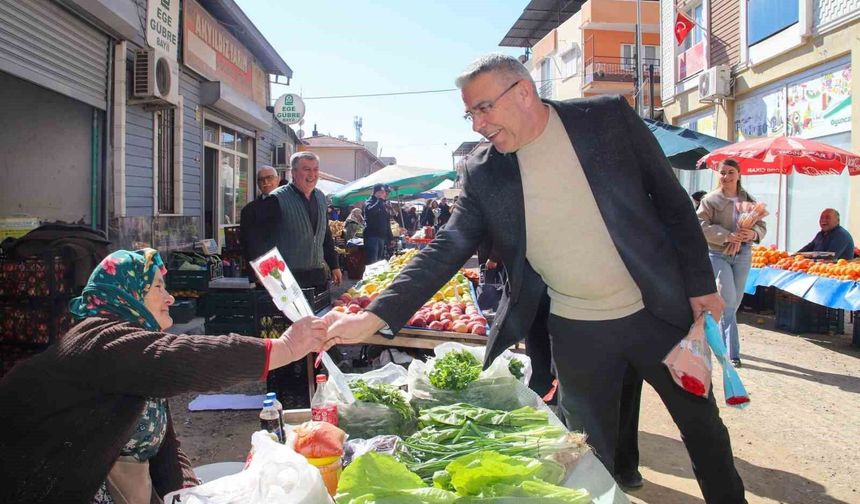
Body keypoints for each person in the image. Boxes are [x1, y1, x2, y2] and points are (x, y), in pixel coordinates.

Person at [323, 54, 745, 502]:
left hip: (655, 311)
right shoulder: (484, 170)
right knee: (587, 455)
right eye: (470, 113)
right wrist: (375, 316)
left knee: (702, 429)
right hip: (577, 331)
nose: (476, 124)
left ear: (523, 92)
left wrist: (700, 285)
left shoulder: (606, 119)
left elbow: (673, 201)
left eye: (483, 108)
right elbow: (448, 248)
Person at [0, 249, 328, 503]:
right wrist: (284, 348)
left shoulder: (133, 352)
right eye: (158, 286)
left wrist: (185, 488)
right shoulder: (99, 340)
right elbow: (186, 358)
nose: (170, 297)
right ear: (127, 293)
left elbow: (163, 441)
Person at [698, 159, 766, 368]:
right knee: (727, 300)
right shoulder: (709, 200)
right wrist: (727, 236)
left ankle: (708, 337)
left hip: (743, 254)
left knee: (734, 303)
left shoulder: (749, 200)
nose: (726, 176)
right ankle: (731, 353)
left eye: (730, 172)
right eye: (722, 172)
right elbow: (700, 224)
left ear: (738, 174)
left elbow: (762, 226)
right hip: (717, 254)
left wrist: (752, 233)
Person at [258, 151, 342, 290]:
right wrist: (271, 279)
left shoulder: (321, 197)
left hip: (317, 276)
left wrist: (334, 265)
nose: (312, 175)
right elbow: (263, 242)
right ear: (293, 173)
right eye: (306, 169)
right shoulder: (276, 199)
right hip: (289, 278)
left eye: (315, 169)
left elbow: (325, 234)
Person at [240, 165, 279, 276]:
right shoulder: (249, 210)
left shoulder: (289, 205)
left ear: (277, 179)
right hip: (262, 269)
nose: (265, 182)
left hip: (291, 267)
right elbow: (247, 243)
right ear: (257, 184)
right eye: (261, 180)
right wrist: (255, 268)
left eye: (269, 177)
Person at [363, 183, 394, 264]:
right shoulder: (369, 201)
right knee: (372, 263)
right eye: (383, 192)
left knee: (379, 263)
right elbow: (370, 212)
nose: (386, 194)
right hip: (372, 236)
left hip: (382, 237)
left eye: (386, 192)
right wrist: (379, 200)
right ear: (377, 192)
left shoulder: (383, 204)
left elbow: (387, 222)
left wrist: (390, 237)